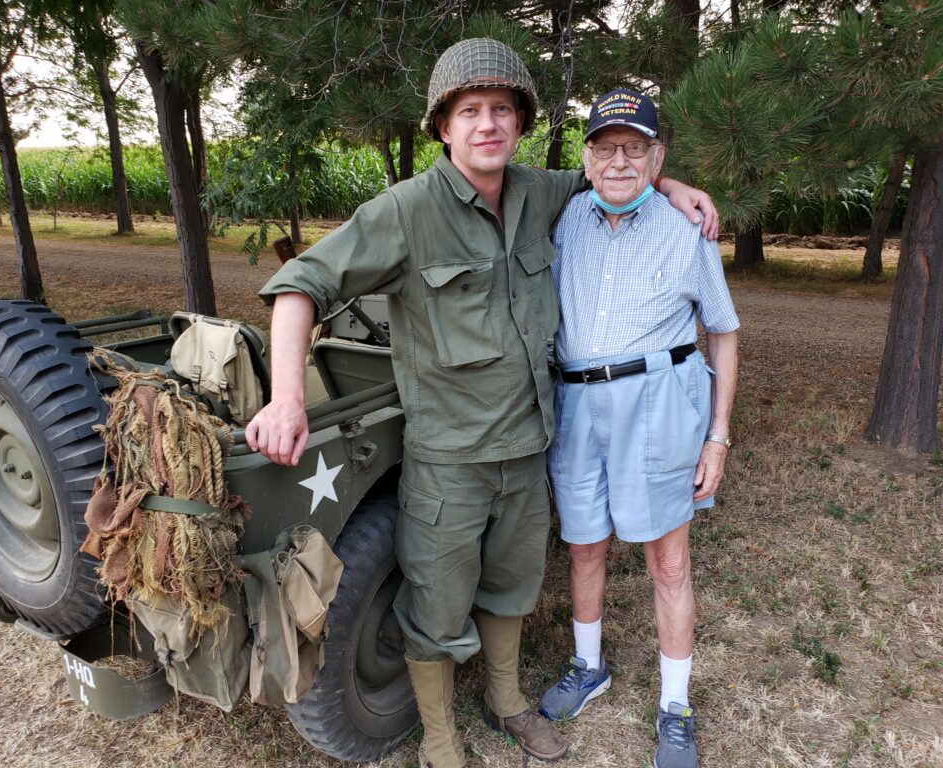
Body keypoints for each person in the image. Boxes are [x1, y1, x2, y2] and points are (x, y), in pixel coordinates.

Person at [246, 43, 718, 768]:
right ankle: (440, 742)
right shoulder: (407, 212)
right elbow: (300, 285)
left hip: (530, 450)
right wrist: (285, 399)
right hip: (450, 462)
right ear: (443, 125)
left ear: (521, 121)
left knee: (510, 590)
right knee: (435, 607)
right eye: (470, 111)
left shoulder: (537, 190)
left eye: (502, 109)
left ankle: (505, 703)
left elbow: (617, 170)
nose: (488, 125)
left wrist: (677, 187)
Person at [537, 89, 740, 768]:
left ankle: (675, 706)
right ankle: (589, 667)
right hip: (577, 407)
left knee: (667, 561)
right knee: (583, 545)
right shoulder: (565, 219)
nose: (618, 160)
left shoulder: (686, 230)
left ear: (657, 157)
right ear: (587, 156)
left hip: (658, 403)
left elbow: (725, 333)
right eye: (605, 146)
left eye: (635, 148)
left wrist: (719, 435)